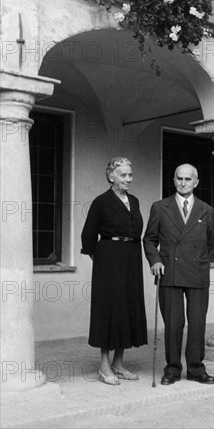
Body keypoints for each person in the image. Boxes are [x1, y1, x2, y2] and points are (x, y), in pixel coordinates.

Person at [143, 163, 214, 385]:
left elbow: (211, 243)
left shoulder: (206, 210)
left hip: (197, 273)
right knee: (173, 324)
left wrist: (198, 259)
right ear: (174, 180)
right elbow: (149, 239)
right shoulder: (159, 207)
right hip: (170, 272)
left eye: (187, 179)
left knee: (196, 323)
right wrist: (155, 261)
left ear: (196, 182)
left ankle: (196, 369)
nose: (183, 183)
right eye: (179, 179)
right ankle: (172, 369)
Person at [81, 157, 147, 385]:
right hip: (108, 259)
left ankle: (119, 363)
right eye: (123, 175)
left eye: (130, 174)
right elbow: (88, 237)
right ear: (111, 176)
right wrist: (101, 259)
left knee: (127, 307)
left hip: (131, 257)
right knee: (108, 309)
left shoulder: (135, 201)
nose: (128, 179)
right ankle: (104, 366)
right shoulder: (101, 202)